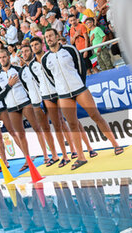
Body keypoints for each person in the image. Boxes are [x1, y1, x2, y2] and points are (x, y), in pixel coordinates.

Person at [42, 28, 123, 170]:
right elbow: (51, 78)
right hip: (63, 94)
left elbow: (81, 68)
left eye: (51, 36)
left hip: (79, 88)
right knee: (72, 125)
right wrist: (62, 89)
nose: (48, 39)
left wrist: (79, 84)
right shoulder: (45, 59)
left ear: (56, 36)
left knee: (95, 116)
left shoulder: (70, 49)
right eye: (46, 37)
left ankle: (115, 145)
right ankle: (81, 157)